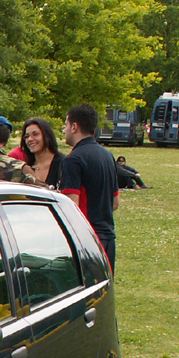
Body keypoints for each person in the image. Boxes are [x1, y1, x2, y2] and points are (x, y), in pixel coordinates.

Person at [60, 103, 120, 270]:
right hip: (107, 238)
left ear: (74, 126)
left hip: (86, 239)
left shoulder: (74, 159)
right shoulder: (107, 155)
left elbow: (71, 206)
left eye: (66, 124)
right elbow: (115, 202)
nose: (64, 130)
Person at [19, 117, 66, 189]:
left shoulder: (63, 163)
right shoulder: (26, 168)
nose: (30, 139)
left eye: (35, 134)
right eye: (27, 136)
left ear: (47, 136)